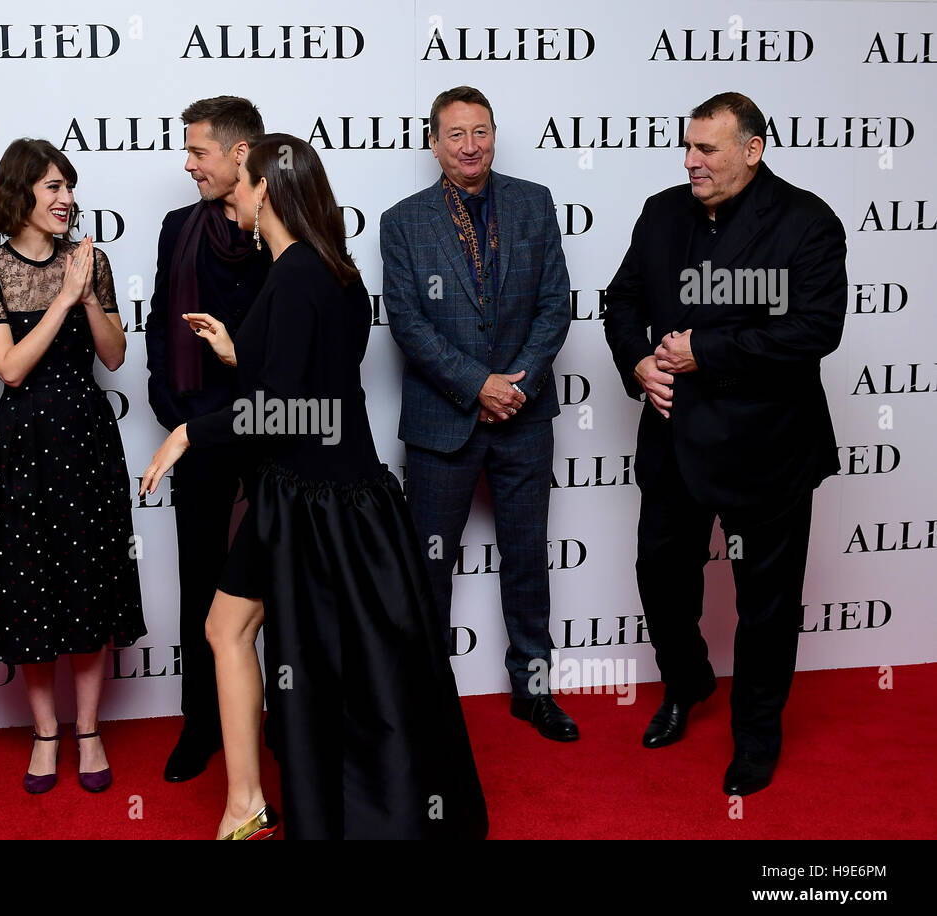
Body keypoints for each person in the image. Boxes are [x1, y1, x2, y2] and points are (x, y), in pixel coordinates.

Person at [141, 133, 489, 840]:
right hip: (328, 490)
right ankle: (248, 802)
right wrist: (243, 349)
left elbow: (286, 406)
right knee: (239, 630)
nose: (229, 192)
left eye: (239, 180)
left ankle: (254, 805)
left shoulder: (297, 271)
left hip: (313, 498)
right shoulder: (327, 268)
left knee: (251, 635)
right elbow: (319, 383)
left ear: (267, 186)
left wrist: (190, 433)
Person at [603, 92, 847, 795]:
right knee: (660, 576)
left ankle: (757, 736)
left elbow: (813, 331)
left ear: (753, 148)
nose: (691, 161)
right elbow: (623, 301)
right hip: (675, 438)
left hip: (766, 449)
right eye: (687, 146)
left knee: (766, 605)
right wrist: (640, 362)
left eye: (707, 149)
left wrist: (704, 350)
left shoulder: (806, 222)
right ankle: (687, 682)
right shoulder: (661, 211)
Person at [379, 86, 578, 741]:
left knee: (527, 559)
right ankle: (426, 697)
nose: (471, 145)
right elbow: (407, 321)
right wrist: (479, 384)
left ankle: (534, 691)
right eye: (457, 134)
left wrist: (515, 383)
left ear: (495, 133)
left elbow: (556, 303)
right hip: (444, 422)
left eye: (482, 131)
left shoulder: (534, 202)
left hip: (524, 413)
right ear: (434, 143)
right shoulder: (403, 221)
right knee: (428, 567)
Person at [0, 138, 146, 795]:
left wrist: (88, 292)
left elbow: (116, 356)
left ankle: (88, 729)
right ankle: (46, 733)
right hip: (24, 446)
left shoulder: (89, 263)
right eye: (51, 187)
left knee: (90, 584)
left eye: (69, 185)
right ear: (19, 194)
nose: (67, 198)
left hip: (88, 442)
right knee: (31, 587)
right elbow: (10, 368)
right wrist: (63, 298)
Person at [145, 96, 271, 782]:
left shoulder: (286, 231)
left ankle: (279, 715)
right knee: (202, 579)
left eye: (197, 151)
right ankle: (201, 723)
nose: (187, 163)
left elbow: (298, 348)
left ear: (239, 153)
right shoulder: (178, 227)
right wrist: (172, 405)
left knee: (281, 579)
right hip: (196, 432)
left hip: (275, 431)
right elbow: (161, 316)